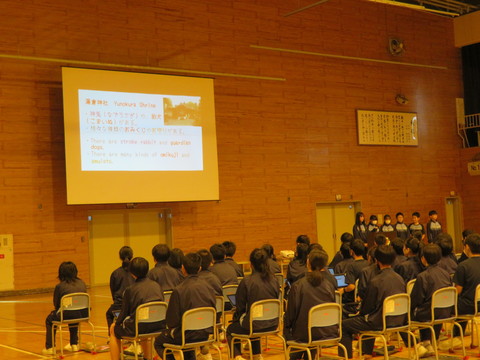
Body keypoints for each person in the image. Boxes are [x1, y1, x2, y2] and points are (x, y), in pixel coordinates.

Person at [339, 245, 406, 359]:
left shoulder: (375, 281)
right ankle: (367, 353)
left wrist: (359, 314)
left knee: (344, 325)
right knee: (369, 317)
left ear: (377, 260)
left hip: (380, 321)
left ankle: (346, 357)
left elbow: (367, 308)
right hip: (398, 318)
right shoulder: (399, 278)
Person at [155, 253, 216, 360]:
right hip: (206, 333)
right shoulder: (209, 287)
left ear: (183, 268)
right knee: (185, 331)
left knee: (159, 341)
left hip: (187, 334)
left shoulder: (179, 290)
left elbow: (172, 321)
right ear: (200, 268)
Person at [226, 248, 279, 360]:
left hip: (254, 324)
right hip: (273, 323)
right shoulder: (274, 279)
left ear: (251, 264)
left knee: (231, 329)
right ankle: (257, 354)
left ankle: (237, 356)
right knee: (255, 317)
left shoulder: (247, 281)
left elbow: (240, 307)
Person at [284, 250, 337, 360]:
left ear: (308, 263)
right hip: (328, 331)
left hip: (305, 333)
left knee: (291, 327)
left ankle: (294, 356)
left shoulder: (298, 285)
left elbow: (291, 315)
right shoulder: (329, 285)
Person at [109, 257, 164, 360]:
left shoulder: (130, 290)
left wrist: (116, 324)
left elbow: (124, 312)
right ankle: (147, 358)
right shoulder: (157, 285)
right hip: (159, 325)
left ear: (132, 273)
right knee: (144, 326)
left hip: (139, 327)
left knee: (114, 331)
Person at [409, 244, 452, 358]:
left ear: (423, 258)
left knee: (413, 311)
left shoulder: (423, 276)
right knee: (431, 308)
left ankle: (422, 343)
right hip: (446, 311)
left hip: (429, 313)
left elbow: (416, 299)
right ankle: (430, 342)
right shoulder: (446, 274)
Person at [42, 262, 88, 355]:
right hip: (83, 314)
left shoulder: (60, 286)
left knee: (49, 320)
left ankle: (50, 347)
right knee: (74, 314)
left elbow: (56, 304)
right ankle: (74, 344)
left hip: (66, 314)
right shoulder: (82, 283)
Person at [446, 233, 480, 349]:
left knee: (448, 305)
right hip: (478, 303)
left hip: (470, 305)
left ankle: (455, 338)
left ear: (467, 247)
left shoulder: (463, 266)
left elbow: (458, 291)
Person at [106, 246, 135, 332]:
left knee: (109, 314)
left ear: (120, 257)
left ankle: (111, 335)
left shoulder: (115, 273)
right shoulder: (136, 271)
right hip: (135, 306)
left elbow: (113, 292)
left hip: (120, 307)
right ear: (132, 256)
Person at [342, 239, 369, 304]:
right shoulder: (369, 263)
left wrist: (343, 290)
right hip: (367, 298)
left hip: (355, 301)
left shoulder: (351, 266)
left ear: (351, 251)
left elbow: (351, 287)